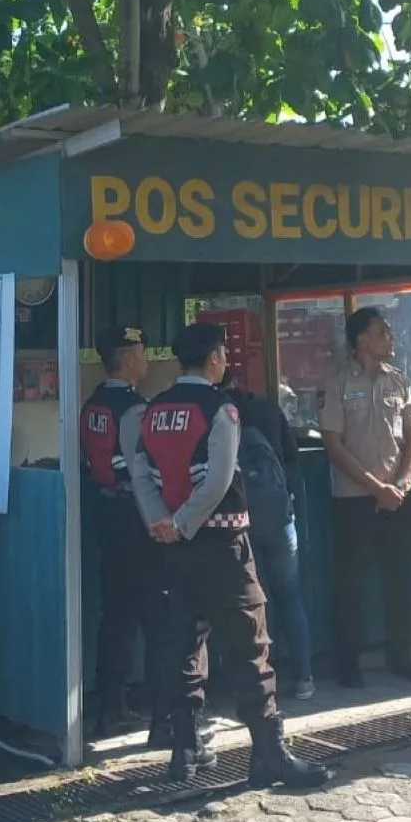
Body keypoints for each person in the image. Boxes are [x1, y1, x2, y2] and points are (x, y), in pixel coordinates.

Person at [126, 324, 330, 789]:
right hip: (223, 545)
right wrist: (185, 521)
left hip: (175, 550)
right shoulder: (220, 409)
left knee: (184, 644)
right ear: (215, 358)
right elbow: (219, 479)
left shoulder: (154, 410)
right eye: (222, 355)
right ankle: (269, 753)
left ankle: (185, 750)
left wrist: (163, 522)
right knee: (250, 645)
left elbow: (141, 472)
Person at [319, 307, 411, 688]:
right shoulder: (337, 384)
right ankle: (348, 663)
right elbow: (333, 445)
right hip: (354, 499)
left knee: (401, 577)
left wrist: (403, 481)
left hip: (398, 496)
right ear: (362, 339)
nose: (390, 338)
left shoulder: (398, 380)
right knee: (351, 582)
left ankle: (403, 656)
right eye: (383, 332)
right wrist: (374, 487)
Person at [79, 325, 172, 743]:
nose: (146, 359)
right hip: (137, 518)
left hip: (106, 514)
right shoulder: (135, 409)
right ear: (128, 358)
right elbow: (145, 469)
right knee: (156, 615)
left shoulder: (93, 405)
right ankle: (162, 715)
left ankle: (110, 706)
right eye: (142, 352)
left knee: (115, 615)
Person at [225, 375, 315, 702]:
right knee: (290, 598)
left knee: (252, 604)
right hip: (279, 518)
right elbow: (292, 458)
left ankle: (261, 681)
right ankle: (304, 677)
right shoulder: (269, 410)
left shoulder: (219, 415)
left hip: (241, 522)